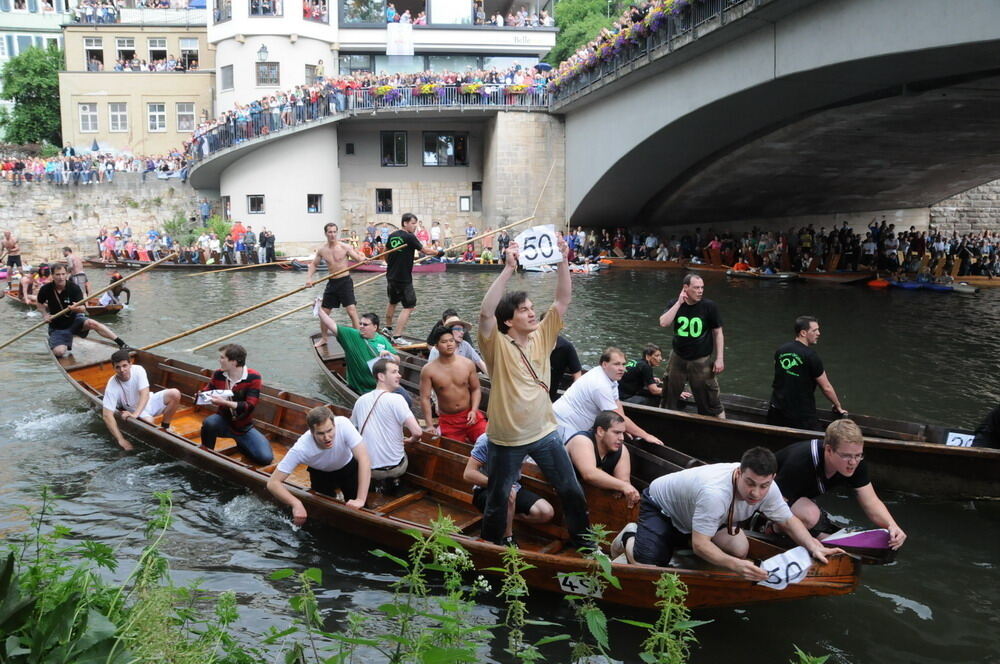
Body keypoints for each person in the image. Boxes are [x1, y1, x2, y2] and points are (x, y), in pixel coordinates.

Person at [476, 238, 590, 548]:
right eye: (523, 310)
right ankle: (491, 546)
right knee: (499, 497)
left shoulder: (543, 335)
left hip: (544, 432)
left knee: (571, 489)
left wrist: (563, 260)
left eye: (531, 309)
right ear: (508, 320)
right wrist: (507, 269)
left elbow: (562, 300)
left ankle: (585, 544)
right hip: (507, 438)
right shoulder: (496, 344)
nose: (531, 314)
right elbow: (485, 314)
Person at [616, 447, 842, 575]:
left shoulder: (769, 488)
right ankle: (630, 535)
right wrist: (736, 566)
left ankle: (682, 540)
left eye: (763, 485)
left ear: (772, 478)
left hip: (700, 515)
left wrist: (814, 546)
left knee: (739, 549)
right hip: (662, 508)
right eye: (750, 483)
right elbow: (700, 545)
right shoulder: (715, 493)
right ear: (738, 473)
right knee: (647, 567)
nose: (756, 493)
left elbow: (788, 520)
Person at [773, 419, 907, 549]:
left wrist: (892, 525)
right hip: (770, 496)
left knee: (811, 516)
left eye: (858, 455)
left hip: (798, 498)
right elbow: (775, 502)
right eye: (846, 456)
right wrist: (807, 540)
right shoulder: (799, 462)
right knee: (810, 515)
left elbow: (871, 502)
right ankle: (772, 529)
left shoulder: (856, 463)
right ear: (829, 450)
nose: (853, 462)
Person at [267, 405, 372, 523]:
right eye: (321, 433)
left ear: (334, 425)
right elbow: (273, 483)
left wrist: (360, 499)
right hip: (321, 475)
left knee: (362, 511)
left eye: (330, 430)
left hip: (348, 469)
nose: (327, 438)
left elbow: (364, 459)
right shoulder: (301, 448)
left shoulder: (344, 424)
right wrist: (296, 503)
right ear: (312, 432)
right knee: (324, 516)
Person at [553, 347, 664, 445]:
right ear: (604, 364)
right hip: (563, 425)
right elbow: (615, 416)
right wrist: (646, 435)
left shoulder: (610, 377)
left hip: (575, 426)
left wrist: (623, 428)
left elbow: (616, 402)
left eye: (623, 364)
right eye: (616, 364)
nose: (622, 368)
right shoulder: (600, 385)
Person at [463, 433, 554, 546]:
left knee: (545, 512)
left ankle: (505, 518)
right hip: (485, 489)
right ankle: (507, 537)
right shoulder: (487, 440)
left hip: (514, 487)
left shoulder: (527, 438)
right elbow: (468, 474)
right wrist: (499, 484)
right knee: (508, 493)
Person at [350, 358, 424, 493]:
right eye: (394, 372)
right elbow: (418, 432)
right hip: (396, 468)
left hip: (369, 469)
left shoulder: (361, 400)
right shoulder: (397, 399)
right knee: (404, 450)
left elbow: (352, 429)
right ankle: (394, 483)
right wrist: (411, 440)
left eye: (398, 372)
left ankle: (374, 485)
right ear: (381, 376)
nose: (399, 375)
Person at [659, 274, 726, 417]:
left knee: (710, 399)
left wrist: (719, 358)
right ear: (686, 288)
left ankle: (718, 423)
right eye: (696, 288)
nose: (700, 291)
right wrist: (679, 303)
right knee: (669, 393)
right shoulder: (674, 304)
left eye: (702, 288)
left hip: (700, 358)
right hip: (678, 356)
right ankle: (666, 419)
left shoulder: (709, 306)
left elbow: (718, 332)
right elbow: (664, 323)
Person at [767, 316, 846, 431]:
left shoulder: (781, 350)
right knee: (821, 438)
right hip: (800, 416)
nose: (818, 333)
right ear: (803, 333)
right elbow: (826, 387)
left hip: (776, 410)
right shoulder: (811, 356)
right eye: (815, 330)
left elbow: (779, 373)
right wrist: (837, 405)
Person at [198, 344, 273, 465]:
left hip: (244, 427)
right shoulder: (218, 374)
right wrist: (201, 396)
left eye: (222, 358)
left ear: (233, 362)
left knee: (265, 459)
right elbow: (208, 390)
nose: (219, 360)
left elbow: (250, 405)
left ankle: (242, 445)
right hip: (223, 421)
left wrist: (224, 402)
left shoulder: (254, 377)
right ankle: (207, 454)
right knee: (209, 423)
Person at [36, 264, 130, 358]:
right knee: (59, 352)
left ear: (67, 274)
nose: (61, 277)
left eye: (63, 274)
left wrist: (77, 309)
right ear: (52, 275)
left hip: (74, 320)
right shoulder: (46, 289)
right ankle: (61, 340)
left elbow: (83, 309)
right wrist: (45, 314)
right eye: (57, 274)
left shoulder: (74, 288)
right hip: (58, 327)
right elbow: (39, 304)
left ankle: (122, 344)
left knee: (93, 323)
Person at [101, 349, 181, 451]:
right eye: (118, 367)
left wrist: (135, 415)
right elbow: (107, 415)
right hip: (134, 409)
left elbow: (145, 394)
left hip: (149, 401)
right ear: (113, 368)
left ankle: (166, 426)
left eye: (124, 366)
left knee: (175, 393)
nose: (122, 370)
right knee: (149, 423)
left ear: (130, 364)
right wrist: (121, 440)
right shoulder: (112, 385)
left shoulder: (138, 370)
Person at [419, 324, 486, 443]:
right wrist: (429, 425)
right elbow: (425, 398)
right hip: (449, 420)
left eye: (451, 340)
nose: (449, 344)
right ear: (436, 346)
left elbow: (476, 389)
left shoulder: (467, 364)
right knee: (454, 449)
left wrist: (474, 410)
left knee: (487, 443)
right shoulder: (428, 370)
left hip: (470, 416)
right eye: (444, 342)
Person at [383, 212, 440, 341]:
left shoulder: (392, 235)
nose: (415, 226)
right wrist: (438, 252)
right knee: (409, 306)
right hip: (403, 278)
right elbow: (425, 251)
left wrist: (390, 264)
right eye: (413, 223)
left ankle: (388, 328)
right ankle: (397, 336)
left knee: (392, 302)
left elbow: (385, 253)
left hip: (391, 275)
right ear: (405, 223)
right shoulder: (409, 237)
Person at [565, 410, 640, 508]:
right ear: (600, 431)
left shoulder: (621, 450)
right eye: (617, 432)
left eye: (622, 433)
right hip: (558, 493)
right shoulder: (582, 440)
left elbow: (624, 481)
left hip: (589, 502)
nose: (622, 438)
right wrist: (622, 486)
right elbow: (589, 474)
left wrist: (624, 488)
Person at [316, 307, 398, 394]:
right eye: (360, 324)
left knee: (404, 395)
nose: (361, 326)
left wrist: (390, 355)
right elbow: (331, 325)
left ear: (375, 327)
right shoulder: (352, 335)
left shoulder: (382, 339)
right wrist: (319, 310)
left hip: (385, 385)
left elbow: (397, 360)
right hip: (364, 390)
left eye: (365, 324)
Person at [308, 222, 367, 344]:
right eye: (330, 232)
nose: (332, 234)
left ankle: (358, 340)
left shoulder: (345, 247)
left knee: (351, 310)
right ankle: (324, 338)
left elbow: (358, 259)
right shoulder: (322, 250)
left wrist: (363, 259)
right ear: (326, 233)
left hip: (345, 282)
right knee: (324, 312)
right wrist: (309, 278)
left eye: (334, 232)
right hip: (332, 283)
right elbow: (314, 264)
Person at [548, 333, 583, 401]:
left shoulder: (566, 347)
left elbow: (577, 374)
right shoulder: (532, 342)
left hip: (550, 396)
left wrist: (572, 397)